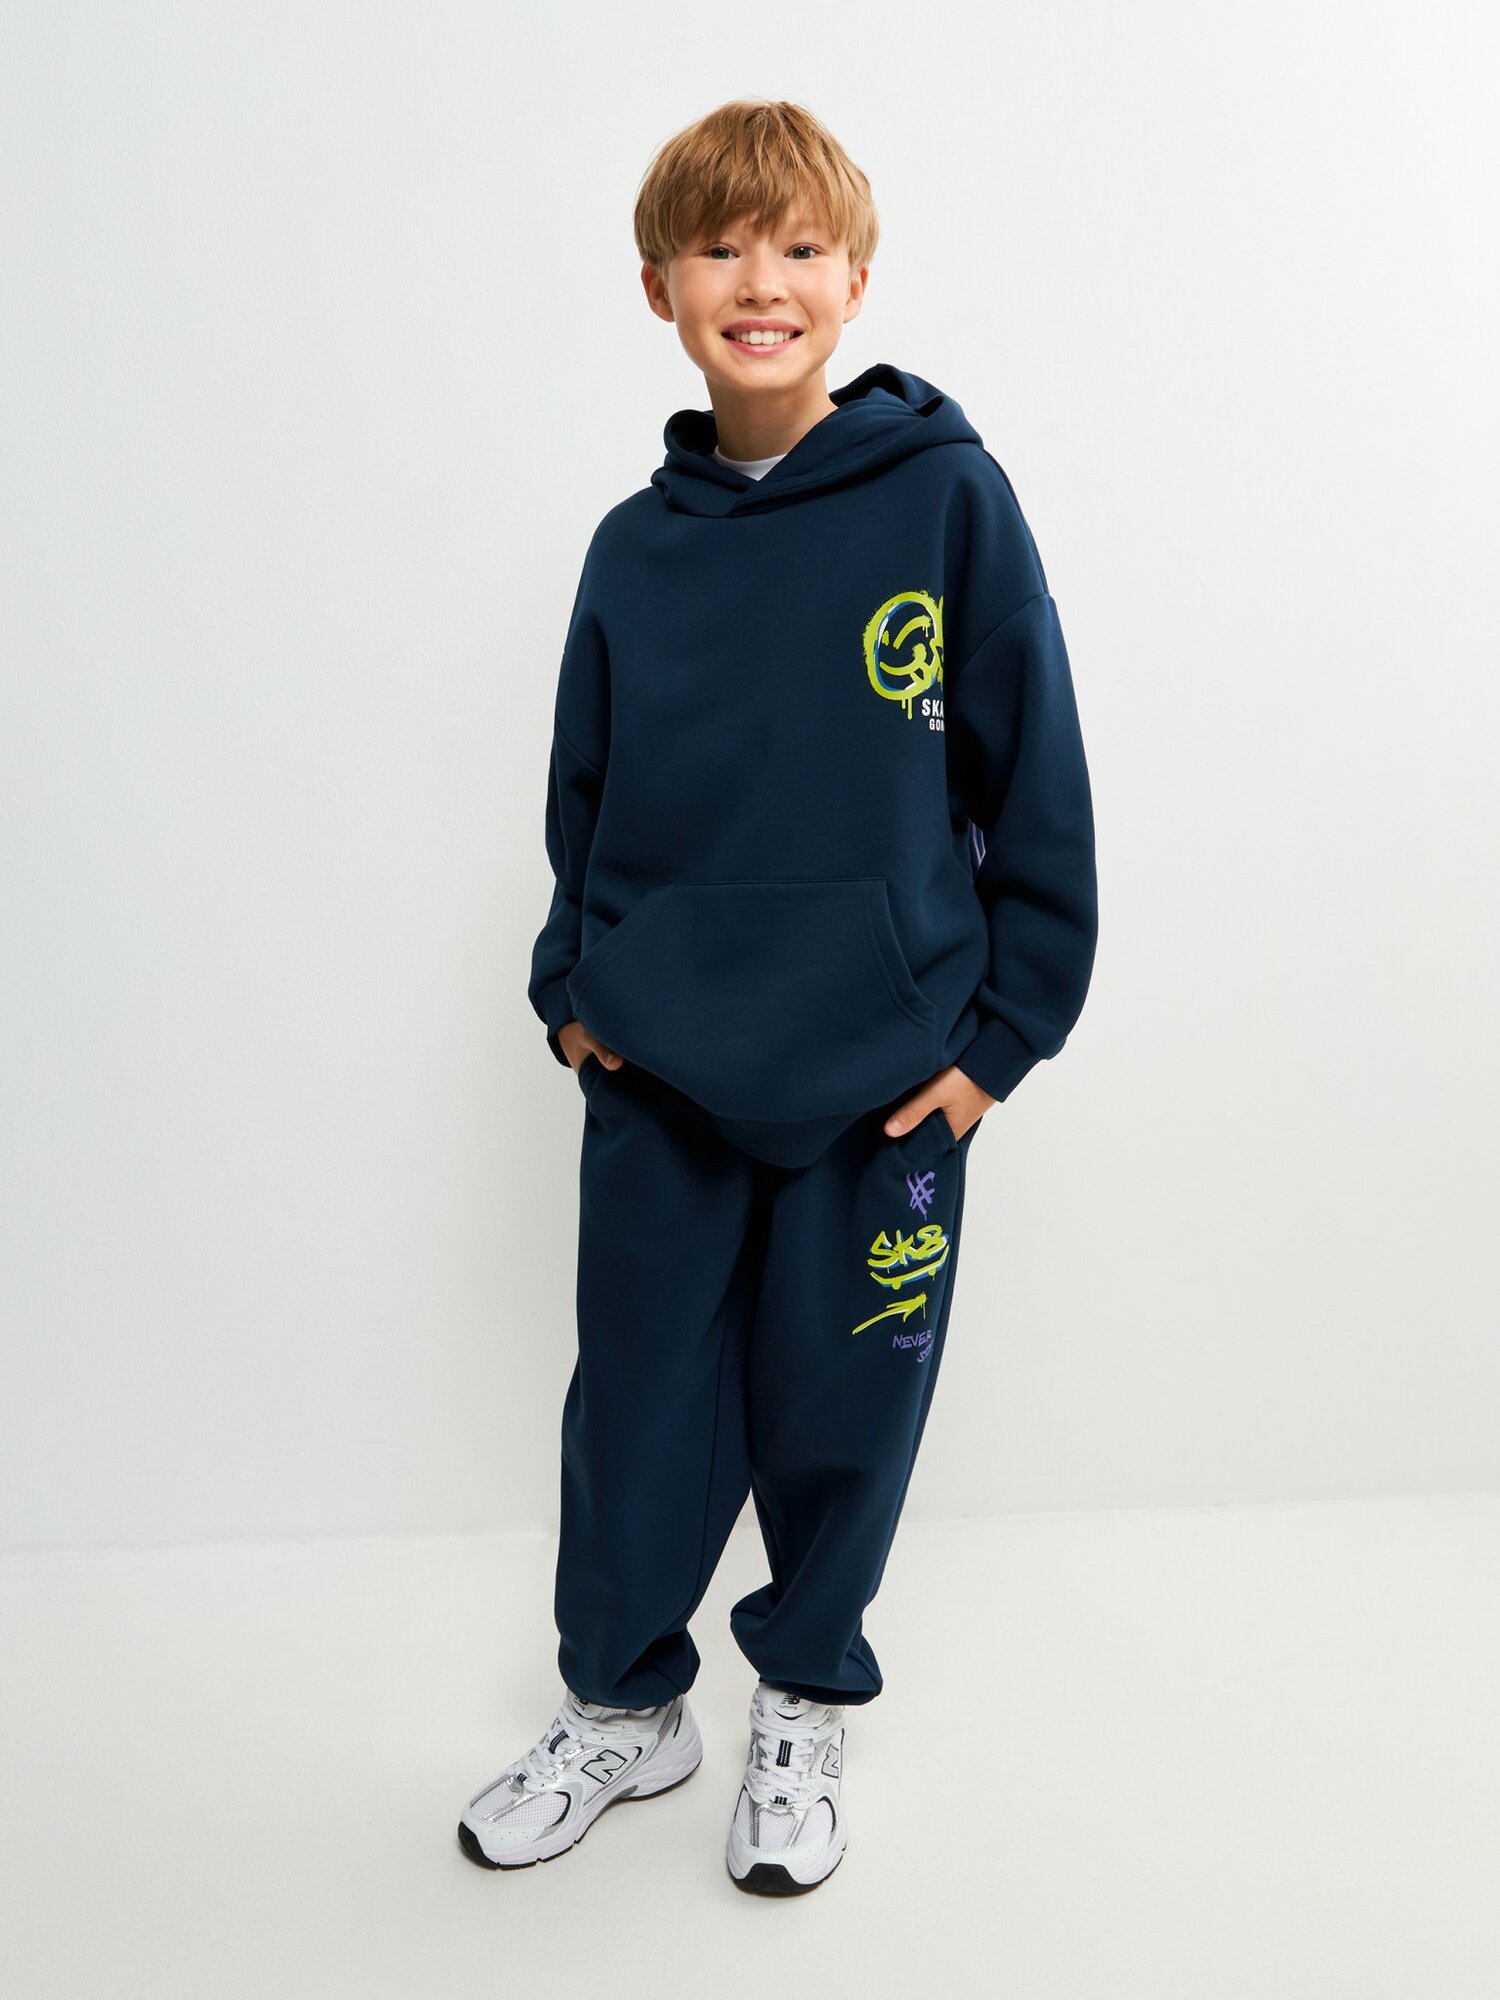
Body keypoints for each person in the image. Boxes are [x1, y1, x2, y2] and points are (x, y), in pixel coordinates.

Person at [457, 97, 1098, 1896]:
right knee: (636, 1411)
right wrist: (574, 991)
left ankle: (804, 1701)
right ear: (658, 286)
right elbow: (585, 800)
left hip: (886, 1082)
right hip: (663, 1074)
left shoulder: (948, 501)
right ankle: (621, 1708)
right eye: (721, 249)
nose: (763, 282)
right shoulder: (632, 550)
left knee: (843, 1414)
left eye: (802, 248)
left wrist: (998, 1043)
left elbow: (1034, 782)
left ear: (857, 280)